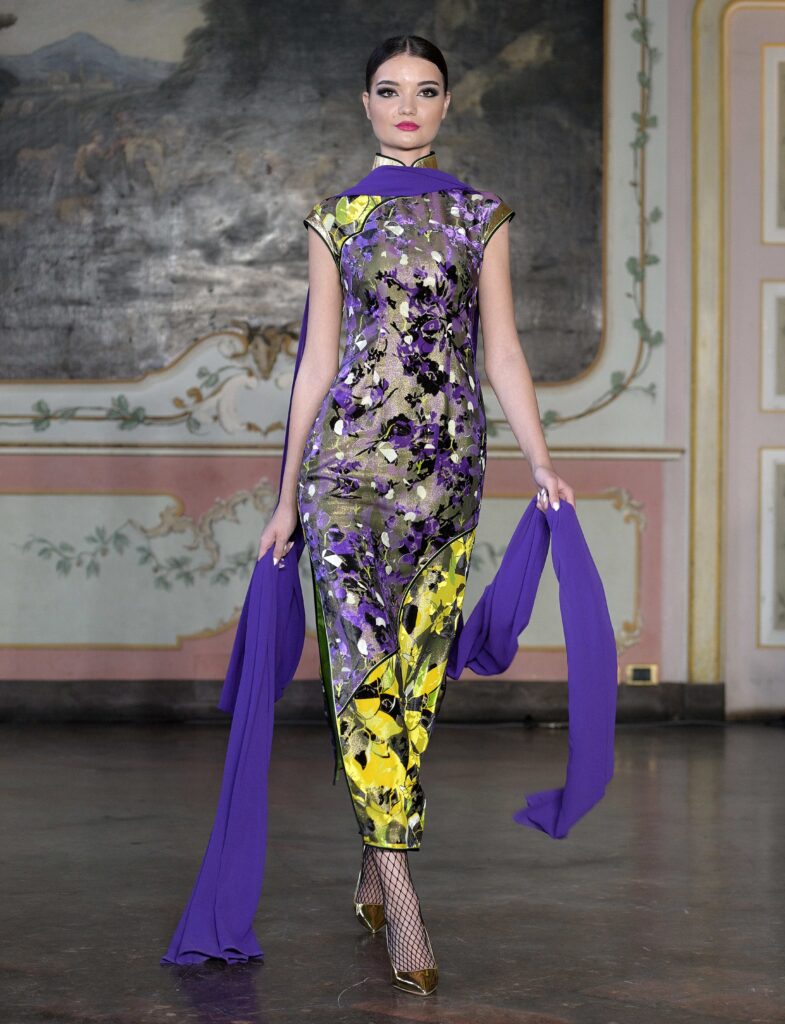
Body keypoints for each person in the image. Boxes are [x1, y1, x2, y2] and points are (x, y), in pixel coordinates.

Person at [255, 34, 575, 997]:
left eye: (424, 91)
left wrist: (541, 459)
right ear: (364, 103)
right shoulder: (335, 219)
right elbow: (316, 362)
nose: (406, 106)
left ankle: (372, 855)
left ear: (445, 104)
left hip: (446, 474)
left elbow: (501, 351)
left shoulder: (480, 215)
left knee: (415, 680)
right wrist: (285, 495)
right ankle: (401, 896)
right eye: (389, 91)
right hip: (344, 474)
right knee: (362, 678)